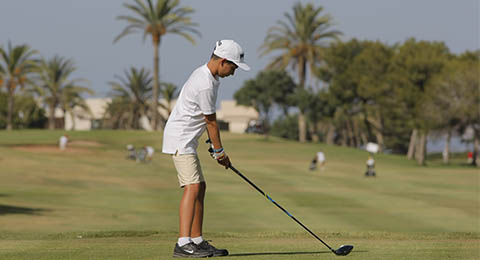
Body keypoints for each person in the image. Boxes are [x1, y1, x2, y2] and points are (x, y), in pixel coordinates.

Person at [162, 39, 250, 258]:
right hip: (180, 139)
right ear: (222, 61)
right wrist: (220, 152)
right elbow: (211, 122)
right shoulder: (205, 83)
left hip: (186, 139)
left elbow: (203, 119)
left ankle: (197, 240)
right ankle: (183, 244)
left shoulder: (208, 76)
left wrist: (213, 145)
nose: (234, 72)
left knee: (200, 187)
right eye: (233, 67)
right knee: (192, 187)